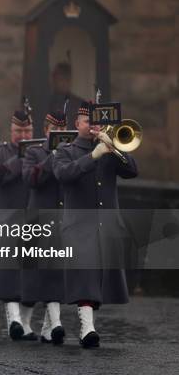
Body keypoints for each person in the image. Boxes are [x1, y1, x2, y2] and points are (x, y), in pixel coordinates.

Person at [53, 101, 137, 348]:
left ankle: (88, 323)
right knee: (85, 276)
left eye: (97, 122)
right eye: (88, 121)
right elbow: (63, 174)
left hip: (106, 224)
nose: (93, 126)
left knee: (100, 277)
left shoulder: (111, 149)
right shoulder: (65, 150)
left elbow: (133, 171)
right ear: (77, 124)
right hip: (78, 224)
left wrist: (115, 148)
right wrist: (93, 156)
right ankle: (87, 327)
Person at [0, 108, 33, 340]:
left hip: (33, 215)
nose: (22, 135)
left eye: (27, 130)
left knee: (31, 272)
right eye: (18, 131)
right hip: (7, 216)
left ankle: (27, 323)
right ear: (11, 131)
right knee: (8, 272)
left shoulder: (41, 150)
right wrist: (19, 158)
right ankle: (13, 320)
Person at [21, 110, 68, 345]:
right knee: (35, 276)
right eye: (54, 131)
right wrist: (53, 157)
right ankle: (27, 323)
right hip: (38, 220)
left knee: (56, 273)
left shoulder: (71, 153)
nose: (58, 134)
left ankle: (52, 326)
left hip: (61, 219)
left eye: (62, 130)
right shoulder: (33, 152)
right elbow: (31, 179)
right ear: (45, 131)